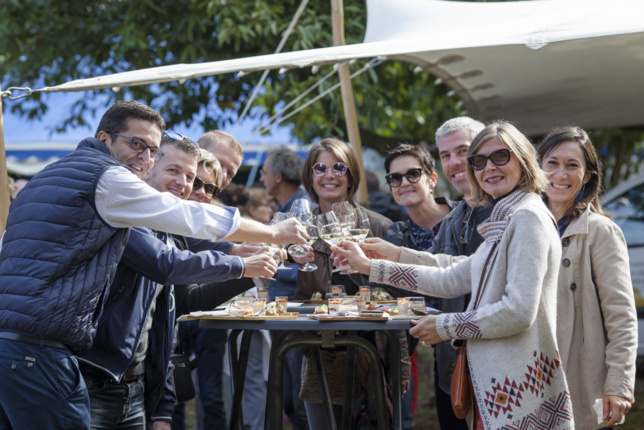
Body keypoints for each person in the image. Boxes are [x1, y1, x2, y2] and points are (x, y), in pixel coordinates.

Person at [0, 101, 305, 429]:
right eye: (136, 144)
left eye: (151, 150)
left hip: (30, 352)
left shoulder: (51, 177)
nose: (144, 158)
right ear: (104, 138)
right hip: (53, 357)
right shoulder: (109, 181)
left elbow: (173, 308)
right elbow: (172, 254)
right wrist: (269, 236)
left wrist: (161, 406)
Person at [332, 121, 574, 429]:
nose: (489, 168)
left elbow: (518, 312)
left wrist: (446, 326)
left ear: (524, 159)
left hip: (516, 390)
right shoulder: (511, 215)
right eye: (479, 161)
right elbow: (453, 276)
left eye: (501, 156)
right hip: (505, 389)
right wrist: (377, 264)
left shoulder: (526, 217)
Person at [78, 134, 281, 430]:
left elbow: (175, 309)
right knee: (210, 393)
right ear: (150, 168)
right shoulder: (132, 213)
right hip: (96, 373)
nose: (196, 190)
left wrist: (248, 267)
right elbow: (168, 266)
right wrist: (244, 263)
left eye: (213, 185)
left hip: (136, 379)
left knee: (209, 395)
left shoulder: (172, 229)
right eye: (191, 178)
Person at [295, 137, 410, 429]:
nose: (330, 175)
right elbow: (294, 297)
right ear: (310, 175)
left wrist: (403, 363)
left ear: (351, 176)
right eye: (320, 168)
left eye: (339, 167)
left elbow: (402, 297)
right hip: (322, 357)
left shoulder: (379, 227)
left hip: (375, 355)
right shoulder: (299, 232)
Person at [538, 126, 636, 428]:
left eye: (572, 165)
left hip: (580, 383)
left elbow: (622, 317)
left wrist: (618, 386)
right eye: (552, 163)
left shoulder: (602, 232)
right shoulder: (523, 228)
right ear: (536, 169)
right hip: (529, 377)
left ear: (588, 175)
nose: (560, 174)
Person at [380, 143, 456, 429]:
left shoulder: (464, 218)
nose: (403, 183)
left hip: (479, 340)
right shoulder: (396, 235)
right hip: (442, 354)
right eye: (394, 178)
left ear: (432, 179)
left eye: (413, 174)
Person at [430, 117, 489, 430]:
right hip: (451, 372)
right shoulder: (454, 218)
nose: (453, 162)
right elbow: (433, 279)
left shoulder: (512, 212)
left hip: (498, 371)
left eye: (462, 151)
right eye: (445, 155)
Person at [259, 147, 311, 429]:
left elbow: (306, 263)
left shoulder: (300, 209)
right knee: (289, 399)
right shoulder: (283, 209)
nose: (261, 179)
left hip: (293, 310)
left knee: (297, 399)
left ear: (277, 177)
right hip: (281, 309)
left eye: (264, 173)